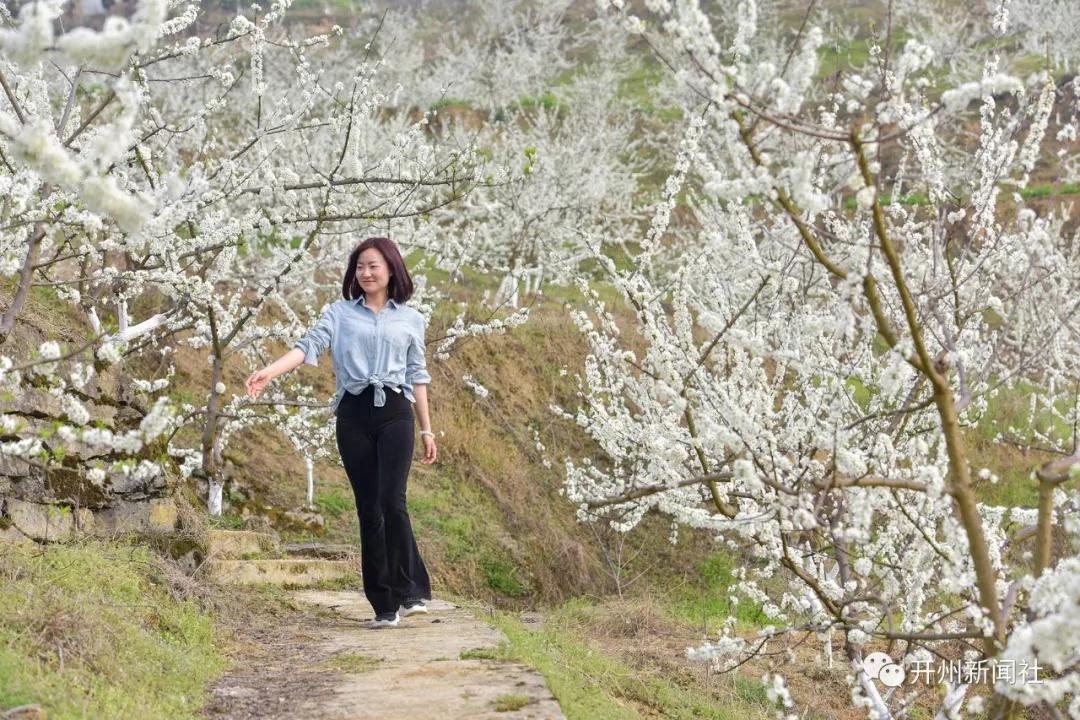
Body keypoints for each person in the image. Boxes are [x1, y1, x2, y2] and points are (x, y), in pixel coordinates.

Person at [244, 237, 437, 629]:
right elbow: (307, 347)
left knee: (392, 500)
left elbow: (418, 377)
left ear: (391, 270)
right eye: (359, 267)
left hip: (396, 411)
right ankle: (383, 604)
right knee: (369, 507)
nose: (365, 273)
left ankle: (409, 590)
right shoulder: (339, 313)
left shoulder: (411, 319)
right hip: (354, 413)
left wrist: (428, 430)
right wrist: (270, 371)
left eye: (373, 266)